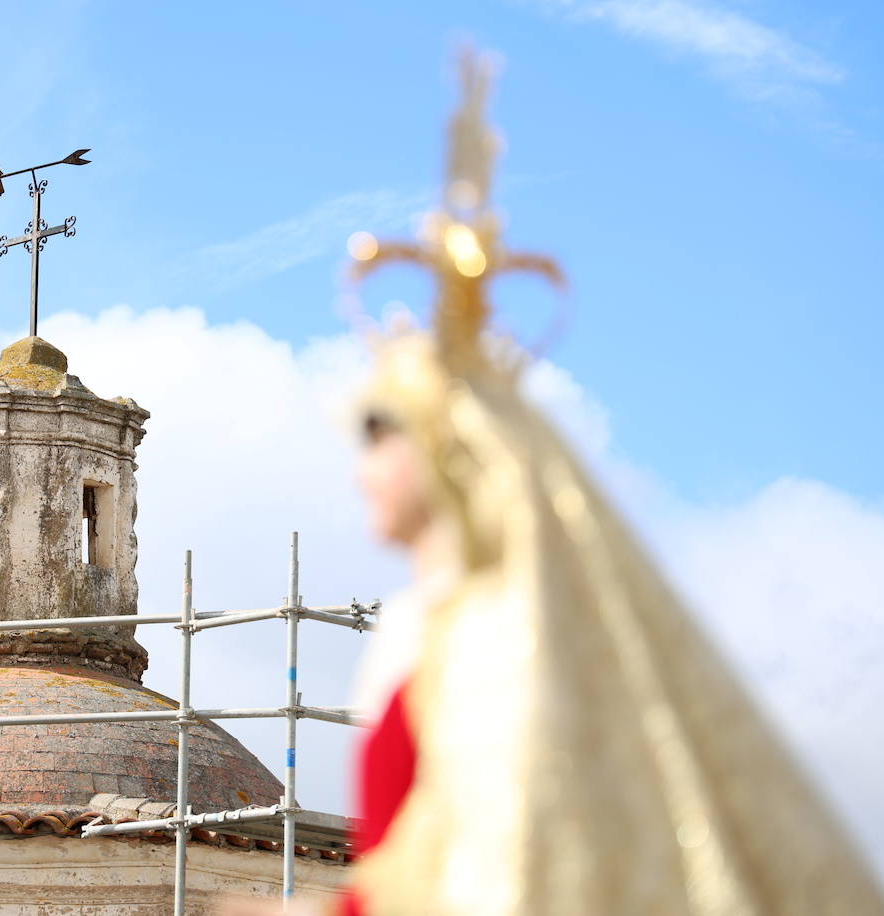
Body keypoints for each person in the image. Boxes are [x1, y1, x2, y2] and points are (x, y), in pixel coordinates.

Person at [224, 46, 884, 916]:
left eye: (379, 435)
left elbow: (509, 873)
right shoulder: (436, 622)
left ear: (449, 445)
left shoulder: (505, 634)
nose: (362, 470)